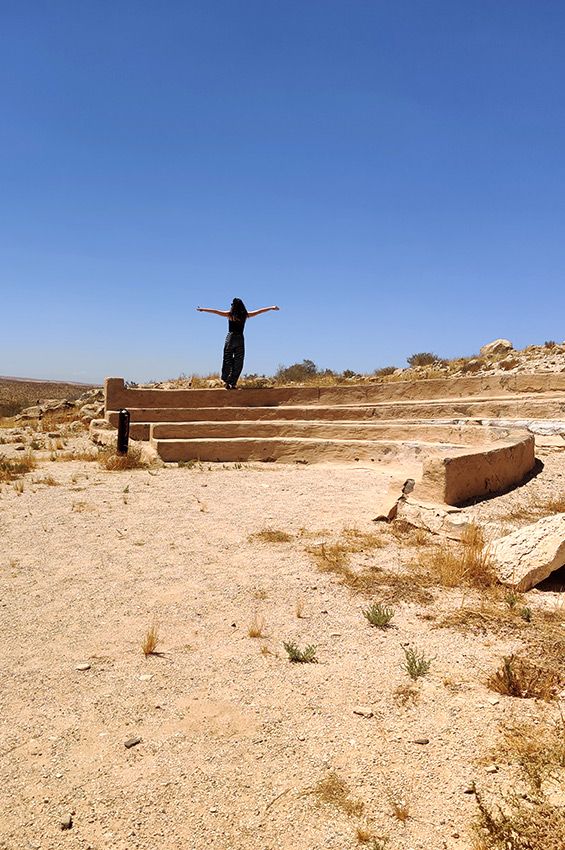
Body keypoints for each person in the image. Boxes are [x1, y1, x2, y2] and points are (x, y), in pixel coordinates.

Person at [196, 299, 280, 389]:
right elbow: (259, 311)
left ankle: (226, 381)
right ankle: (233, 382)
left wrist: (203, 309)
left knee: (227, 359)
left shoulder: (230, 314)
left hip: (231, 338)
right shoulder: (245, 315)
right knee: (238, 361)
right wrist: (271, 308)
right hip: (240, 338)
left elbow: (216, 312)